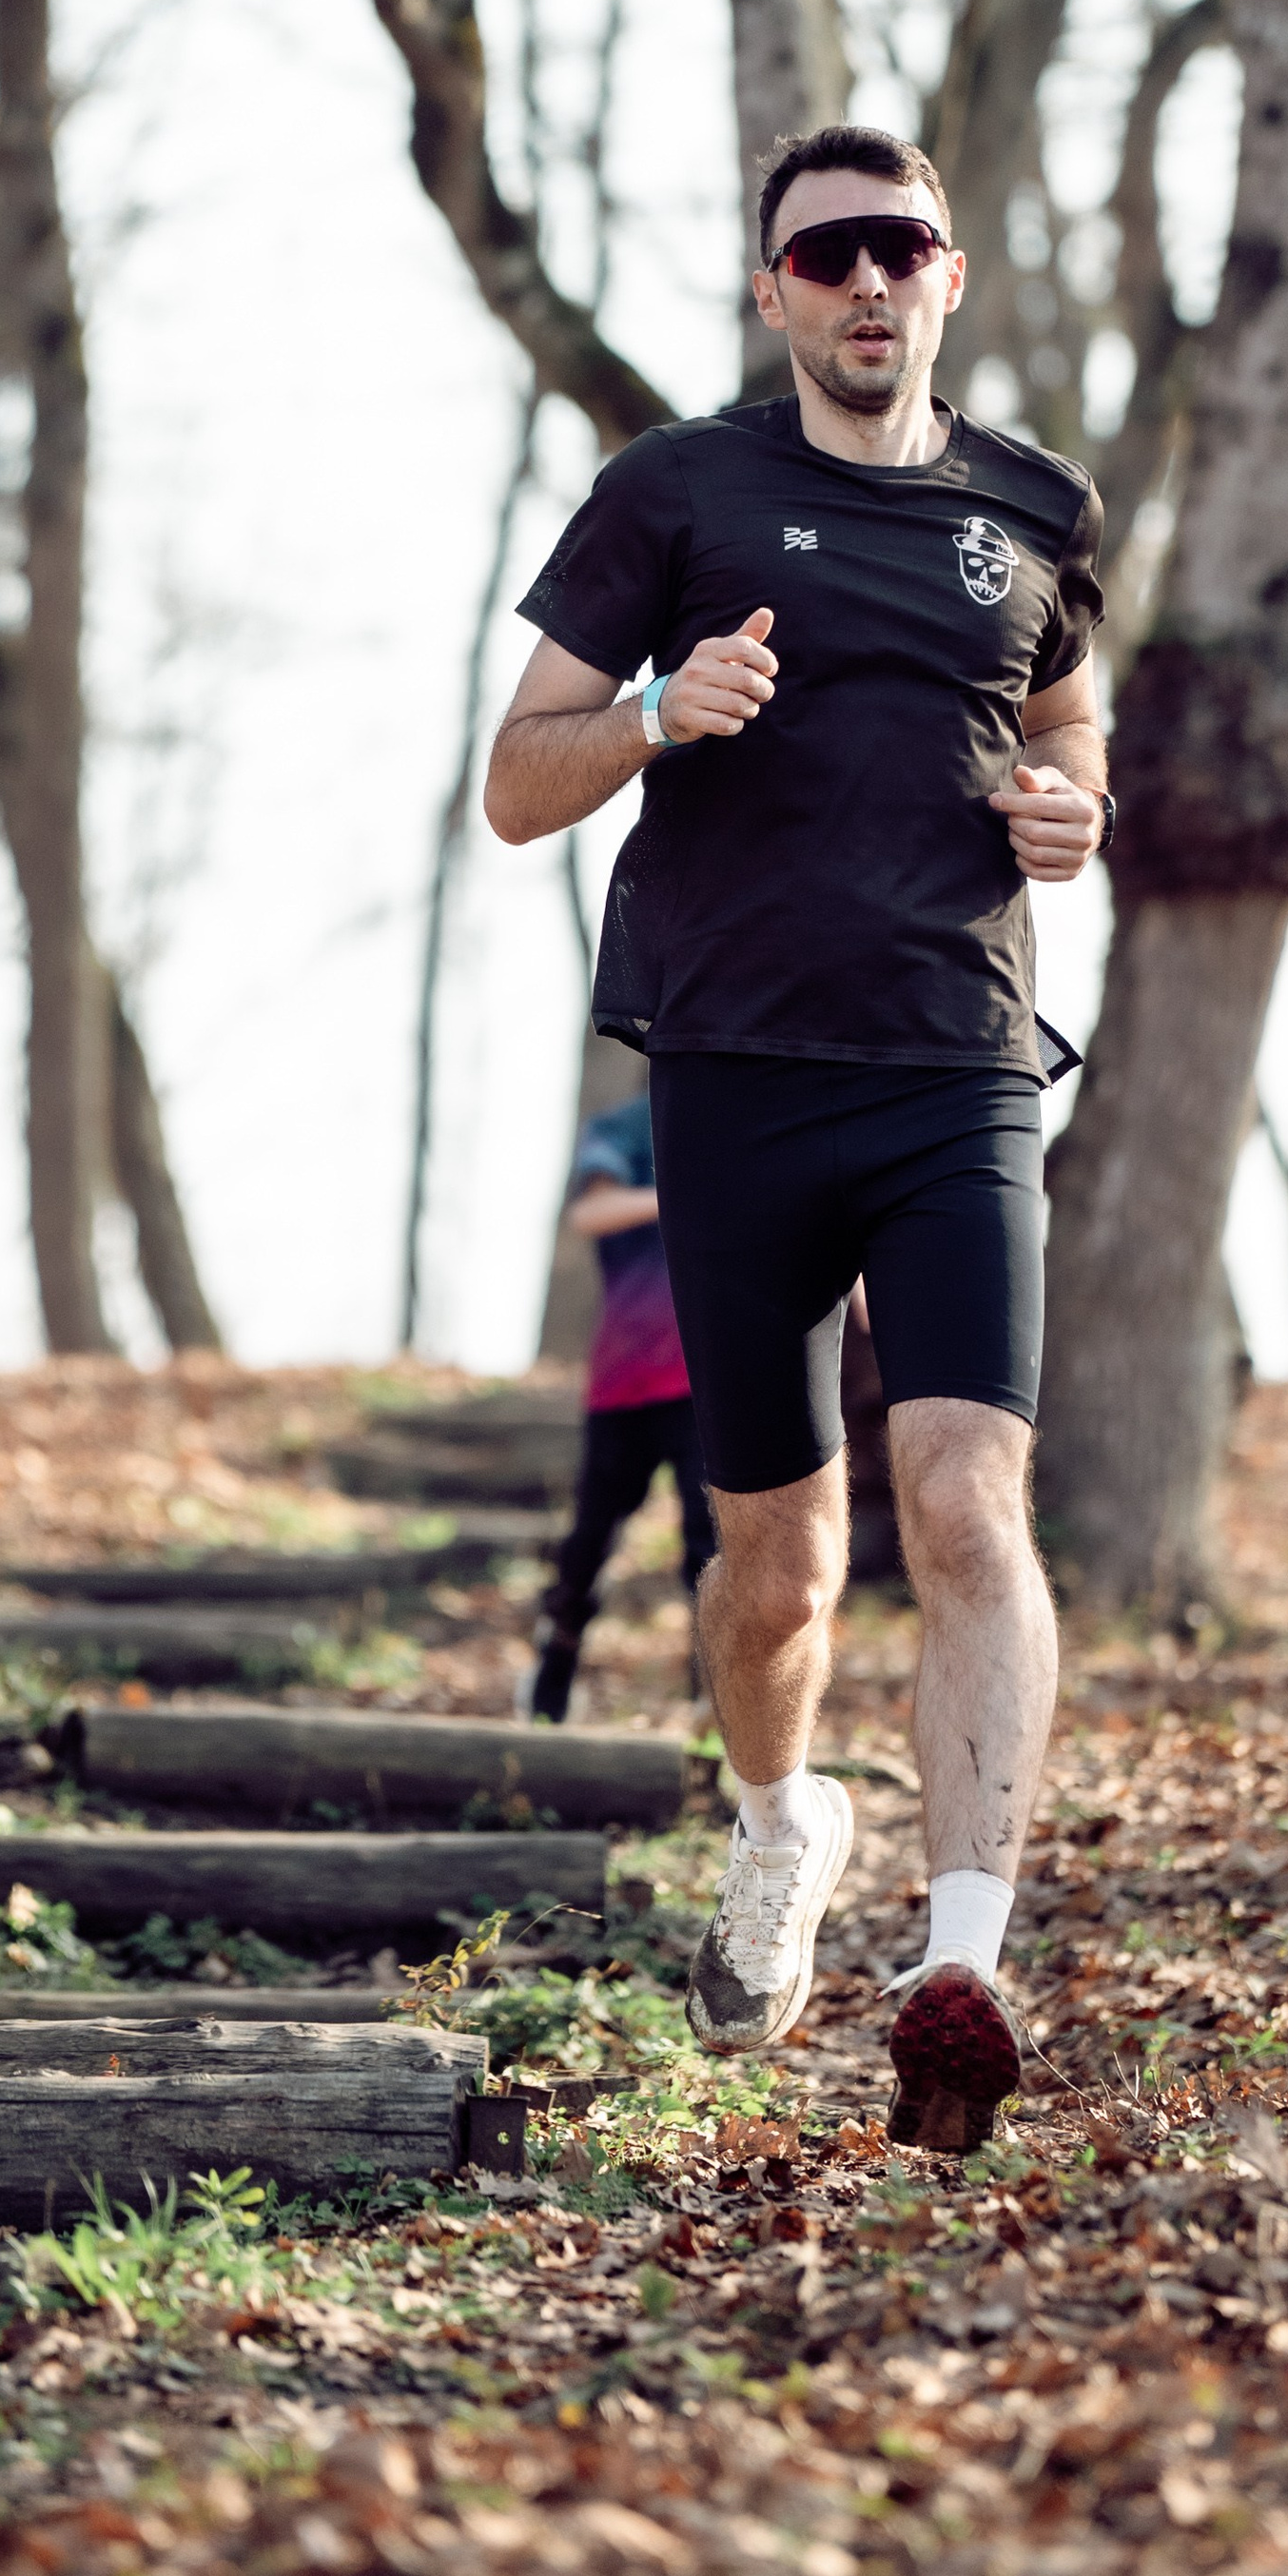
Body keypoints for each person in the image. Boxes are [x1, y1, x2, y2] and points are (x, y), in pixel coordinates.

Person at [484, 121, 1110, 2153]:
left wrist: (1067, 809)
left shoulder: (1031, 507)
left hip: (958, 1064)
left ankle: (961, 1962)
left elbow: (1067, 722)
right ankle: (780, 1818)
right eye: (821, 252)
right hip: (732, 1074)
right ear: (775, 291)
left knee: (967, 1507)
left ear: (944, 274)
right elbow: (512, 783)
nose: (861, 282)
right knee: (778, 1572)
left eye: (894, 247)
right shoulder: (673, 493)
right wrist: (658, 718)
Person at [525, 1087, 716, 1725]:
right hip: (625, 1379)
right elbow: (591, 1212)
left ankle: (714, 1699)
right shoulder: (626, 1127)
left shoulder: (748, 1114)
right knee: (591, 1541)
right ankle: (554, 1668)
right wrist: (683, 1196)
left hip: (709, 1379)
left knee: (710, 1544)